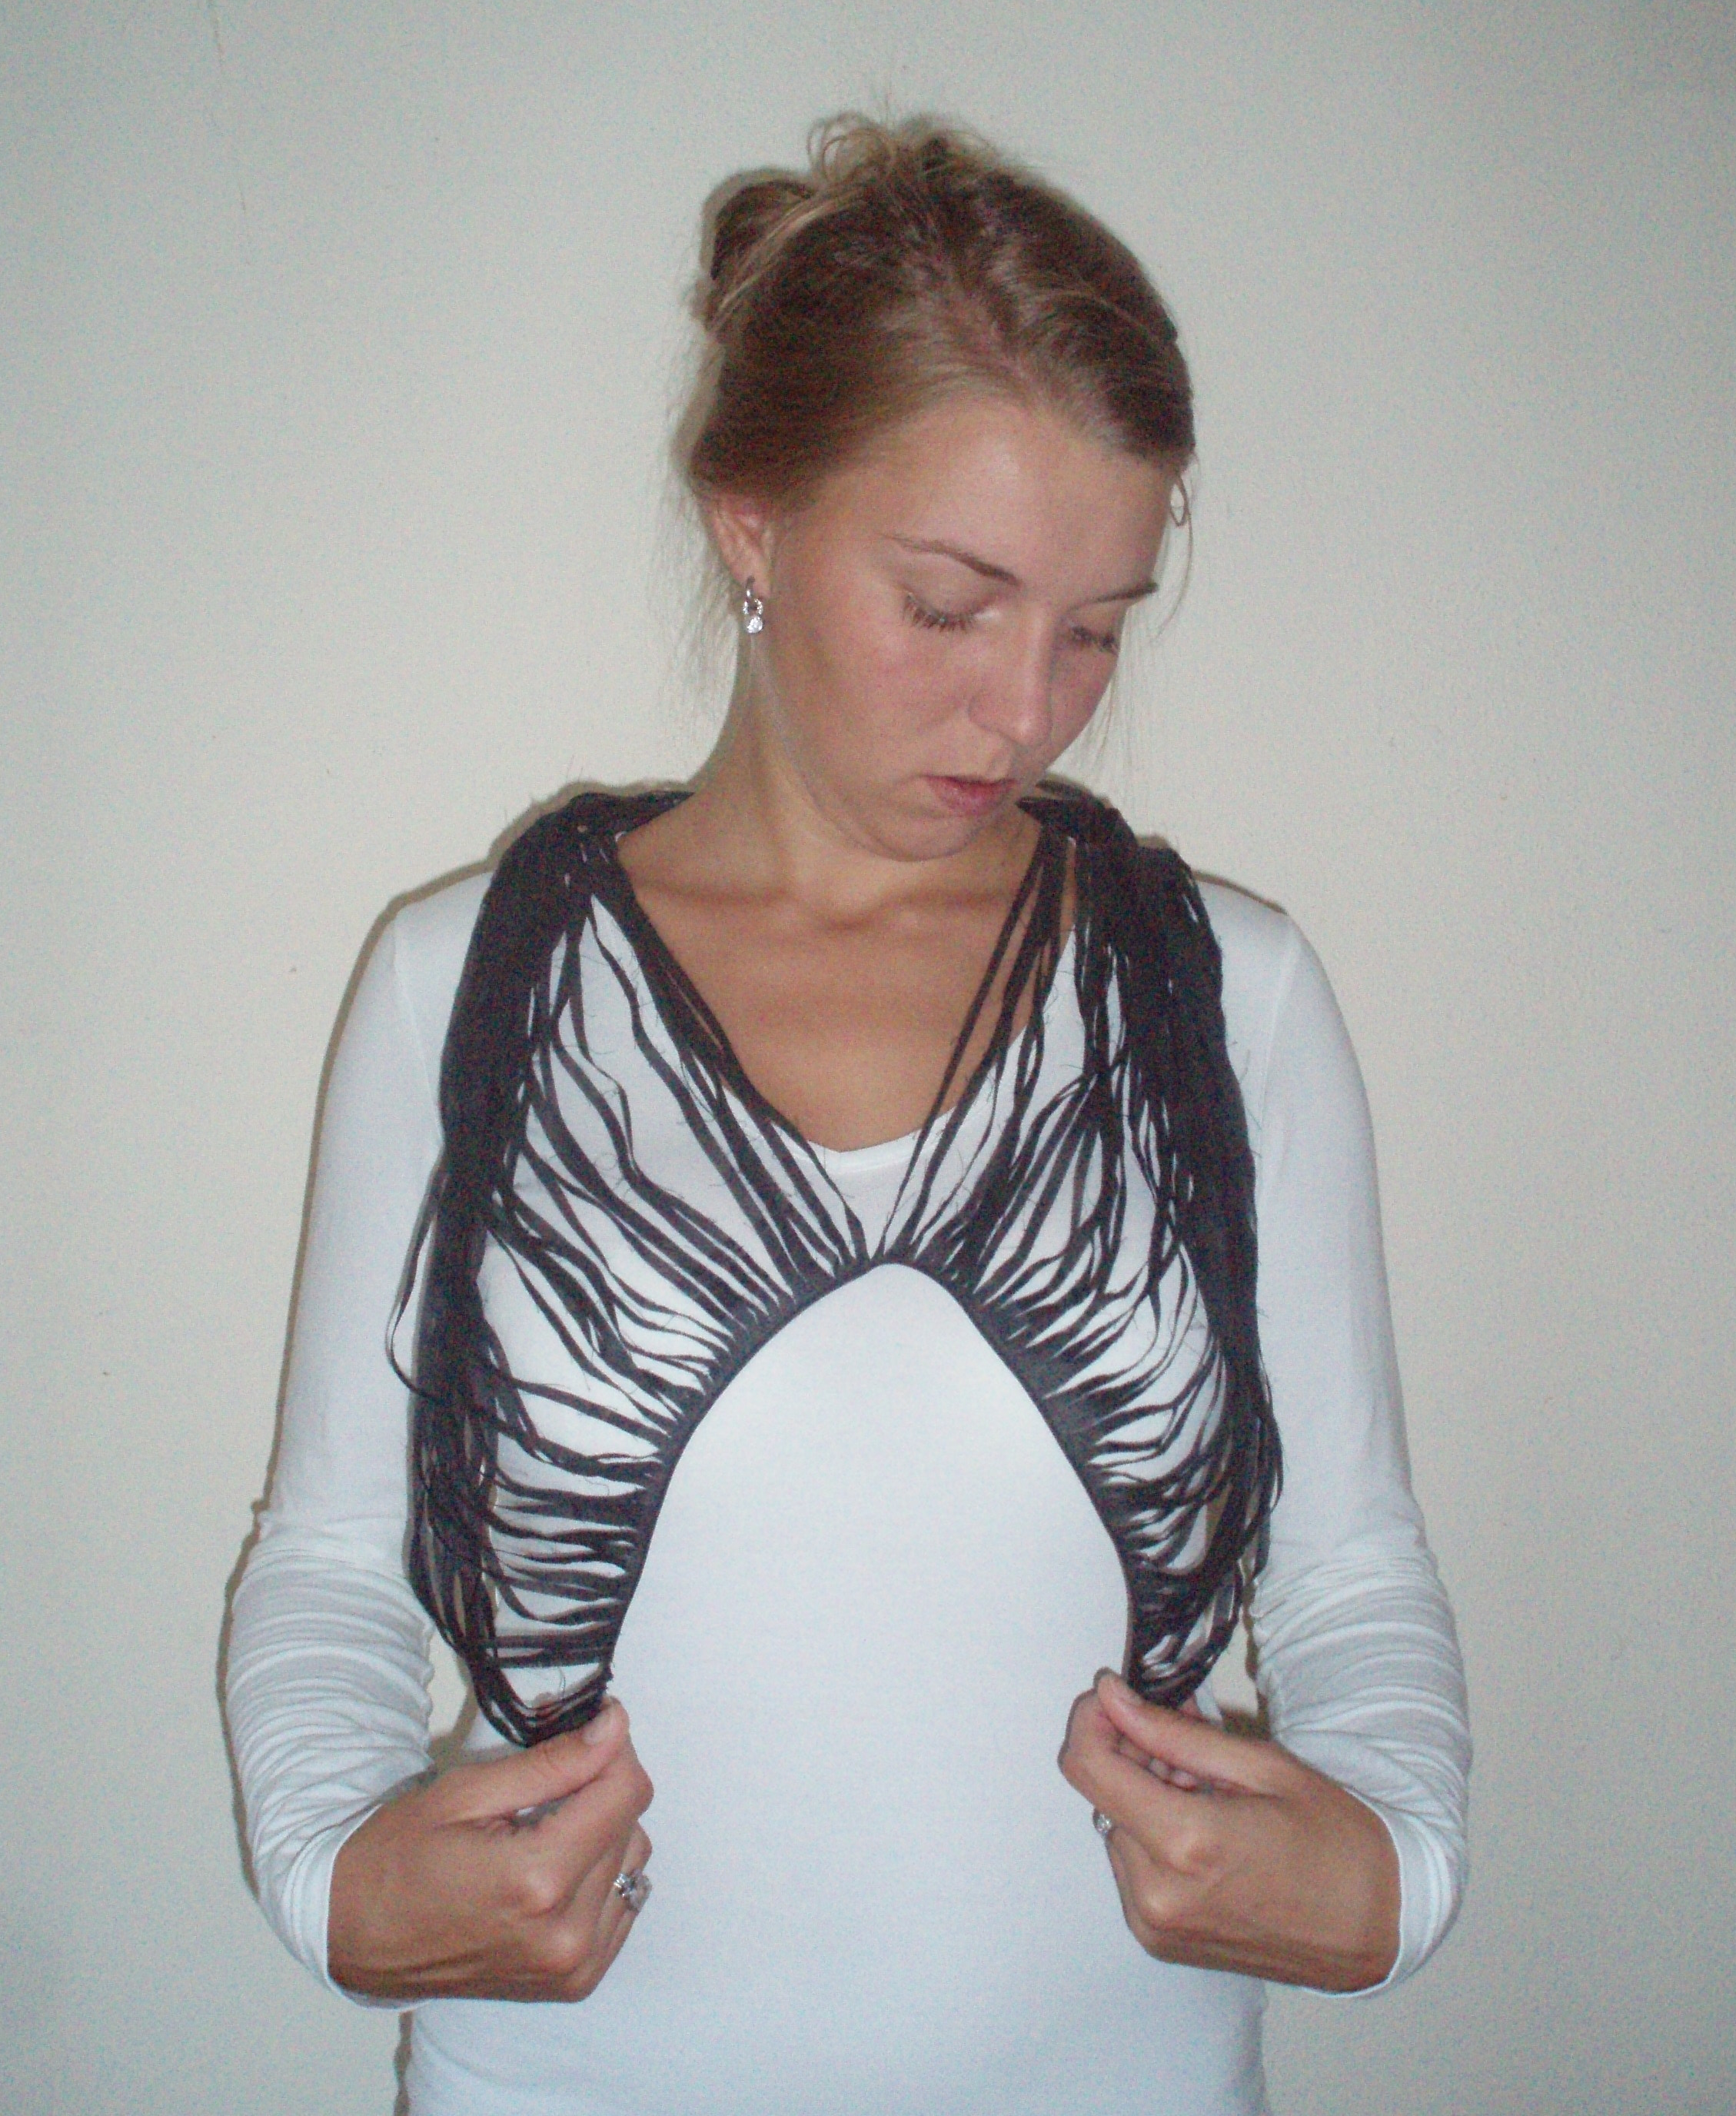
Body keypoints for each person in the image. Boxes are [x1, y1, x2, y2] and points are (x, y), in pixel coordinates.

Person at [225, 118, 1470, 2116]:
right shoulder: (471, 986)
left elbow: (1350, 1564)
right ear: (752, 523)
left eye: (1097, 625)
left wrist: (1399, 1870)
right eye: (953, 606)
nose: (1028, 711)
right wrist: (332, 1885)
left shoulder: (1226, 998)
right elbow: (331, 1557)